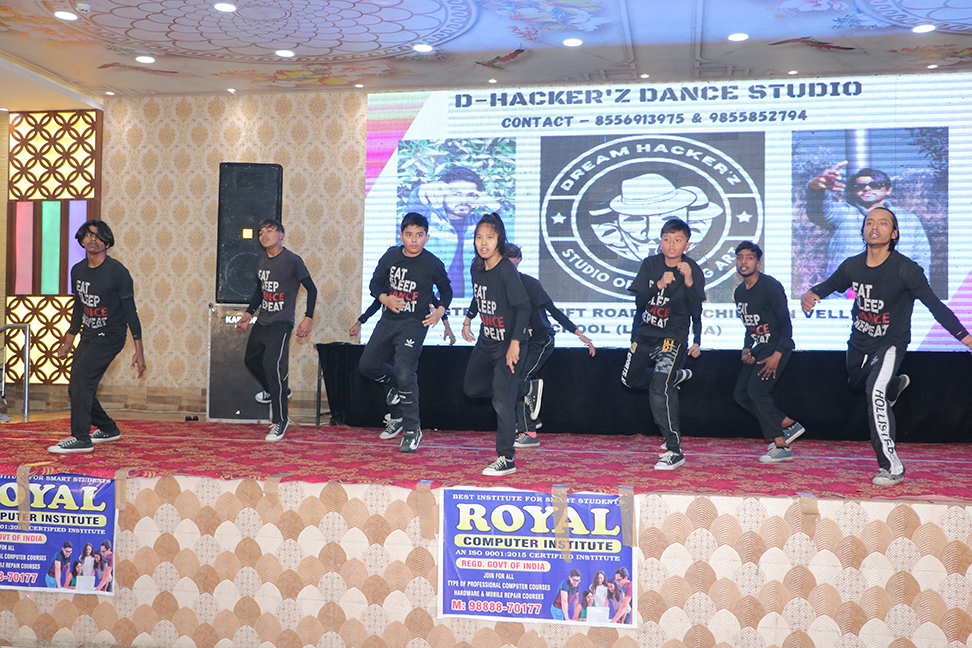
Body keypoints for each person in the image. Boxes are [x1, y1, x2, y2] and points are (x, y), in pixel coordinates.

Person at [801, 207, 972, 485]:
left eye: (882, 223)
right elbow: (831, 284)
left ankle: (892, 466)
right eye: (869, 222)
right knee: (857, 382)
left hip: (891, 343)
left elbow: (936, 307)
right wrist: (811, 294)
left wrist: (966, 338)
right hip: (860, 341)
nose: (874, 227)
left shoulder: (907, 269)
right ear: (863, 232)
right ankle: (893, 386)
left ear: (894, 234)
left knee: (874, 393)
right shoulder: (852, 266)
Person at [358, 212, 453, 452]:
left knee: (404, 370)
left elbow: (446, 291)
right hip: (388, 320)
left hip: (414, 323)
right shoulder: (390, 256)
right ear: (401, 236)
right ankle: (394, 388)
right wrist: (385, 298)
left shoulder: (432, 263)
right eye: (409, 235)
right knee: (367, 365)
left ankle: (412, 429)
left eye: (419, 235)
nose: (414, 240)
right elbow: (374, 284)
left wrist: (440, 311)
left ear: (427, 237)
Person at [50, 220, 145, 454]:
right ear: (82, 240)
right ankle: (108, 428)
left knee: (81, 381)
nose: (93, 239)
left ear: (107, 243)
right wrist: (69, 340)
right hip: (89, 334)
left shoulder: (118, 272)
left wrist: (139, 349)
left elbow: (130, 311)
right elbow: (79, 306)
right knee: (77, 386)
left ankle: (81, 438)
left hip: (111, 336)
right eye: (88, 235)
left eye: (98, 236)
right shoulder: (78, 270)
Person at [621, 218, 705, 470]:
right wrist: (658, 285)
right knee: (629, 380)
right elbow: (639, 303)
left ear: (686, 245)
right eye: (667, 239)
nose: (671, 244)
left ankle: (674, 450)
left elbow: (697, 309)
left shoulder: (692, 269)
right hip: (646, 335)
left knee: (660, 388)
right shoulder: (650, 264)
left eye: (678, 240)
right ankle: (675, 376)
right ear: (660, 242)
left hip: (673, 336)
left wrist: (689, 284)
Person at [502, 244, 596, 448]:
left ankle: (529, 433)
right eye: (504, 260)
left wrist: (579, 334)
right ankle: (532, 418)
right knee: (515, 379)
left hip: (540, 340)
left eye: (511, 260)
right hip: (521, 343)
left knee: (520, 378)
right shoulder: (500, 286)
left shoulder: (530, 284)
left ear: (519, 260)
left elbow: (553, 310)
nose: (507, 265)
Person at [461, 214, 530, 476]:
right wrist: (468, 319)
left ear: (499, 239)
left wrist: (515, 344)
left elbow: (524, 308)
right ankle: (522, 389)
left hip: (508, 345)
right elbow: (479, 296)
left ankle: (506, 457)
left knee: (502, 402)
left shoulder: (506, 270)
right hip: (486, 341)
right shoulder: (476, 268)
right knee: (471, 388)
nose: (483, 243)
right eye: (479, 237)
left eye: (489, 237)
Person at [236, 219, 317, 442]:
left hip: (282, 323)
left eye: (270, 231)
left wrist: (308, 318)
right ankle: (277, 390)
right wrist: (248, 314)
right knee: (251, 360)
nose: (264, 235)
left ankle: (280, 421)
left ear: (281, 235)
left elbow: (311, 289)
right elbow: (260, 291)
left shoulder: (292, 260)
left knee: (271, 365)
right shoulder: (260, 260)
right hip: (263, 321)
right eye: (261, 232)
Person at [733, 242, 806, 463]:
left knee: (757, 391)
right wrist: (747, 348)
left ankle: (781, 445)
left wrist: (777, 354)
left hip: (777, 346)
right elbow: (750, 326)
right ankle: (787, 424)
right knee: (740, 394)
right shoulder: (739, 292)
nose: (743, 262)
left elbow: (786, 325)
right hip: (760, 346)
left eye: (749, 257)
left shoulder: (770, 286)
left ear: (758, 262)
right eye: (740, 257)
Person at [806, 162, 931, 281]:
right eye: (860, 186)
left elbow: (921, 258)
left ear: (888, 190)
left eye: (875, 185)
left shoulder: (908, 220)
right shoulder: (844, 213)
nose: (867, 189)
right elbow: (820, 212)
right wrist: (816, 190)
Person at [407, 166, 502, 299]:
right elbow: (413, 208)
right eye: (456, 194)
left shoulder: (480, 225)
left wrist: (496, 208)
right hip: (429, 303)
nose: (463, 200)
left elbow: (508, 236)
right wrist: (422, 192)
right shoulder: (428, 219)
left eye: (471, 195)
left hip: (468, 305)